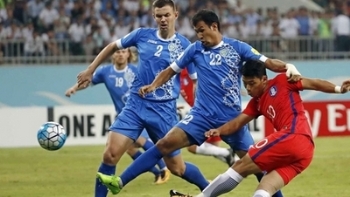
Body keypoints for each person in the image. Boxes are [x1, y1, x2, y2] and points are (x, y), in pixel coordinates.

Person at [95, 9, 302, 197]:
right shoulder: (195, 49)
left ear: (214, 27)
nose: (199, 35)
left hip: (232, 120)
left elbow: (268, 62)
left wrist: (288, 67)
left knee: (258, 166)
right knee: (164, 144)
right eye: (196, 31)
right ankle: (119, 181)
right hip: (200, 116)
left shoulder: (237, 47)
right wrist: (153, 85)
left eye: (202, 30)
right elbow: (170, 71)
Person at [76, 1, 208, 196]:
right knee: (110, 155)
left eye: (166, 15)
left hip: (164, 111)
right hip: (136, 105)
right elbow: (113, 46)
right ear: (154, 17)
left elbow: (196, 81)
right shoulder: (142, 35)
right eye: (159, 15)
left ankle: (208, 189)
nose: (163, 19)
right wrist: (90, 69)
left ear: (176, 15)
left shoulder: (184, 45)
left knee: (177, 168)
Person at [187, 60, 350, 197]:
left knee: (240, 166)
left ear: (264, 79)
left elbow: (313, 83)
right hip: (305, 152)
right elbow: (238, 123)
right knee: (266, 187)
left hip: (293, 135)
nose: (249, 88)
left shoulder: (283, 81)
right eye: (245, 84)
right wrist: (220, 131)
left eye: (252, 83)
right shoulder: (256, 102)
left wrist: (338, 89)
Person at [65, 48, 170, 185]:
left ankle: (164, 168)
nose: (120, 54)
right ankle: (157, 173)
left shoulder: (136, 70)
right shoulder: (105, 72)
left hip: (141, 114)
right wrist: (74, 88)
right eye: (117, 52)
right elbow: (88, 81)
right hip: (125, 117)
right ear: (112, 55)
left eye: (123, 51)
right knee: (129, 149)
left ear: (128, 54)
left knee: (139, 140)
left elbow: (153, 86)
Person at [180, 68, 235, 166]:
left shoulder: (192, 70)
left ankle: (229, 154)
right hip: (207, 112)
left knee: (192, 146)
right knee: (214, 147)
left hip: (208, 113)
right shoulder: (177, 75)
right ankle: (237, 163)